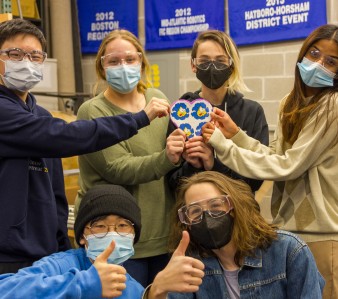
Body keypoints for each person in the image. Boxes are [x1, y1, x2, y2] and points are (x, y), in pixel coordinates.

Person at [0, 18, 170, 274]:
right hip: (7, 256)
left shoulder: (42, 116)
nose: (26, 62)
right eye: (15, 54)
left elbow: (55, 191)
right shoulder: (8, 113)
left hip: (45, 253)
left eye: (35, 56)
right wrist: (139, 119)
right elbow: (68, 137)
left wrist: (59, 243)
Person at [202, 24, 338, 299]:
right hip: (286, 228)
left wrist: (222, 145)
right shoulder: (291, 102)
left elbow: (289, 166)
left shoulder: (332, 104)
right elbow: (276, 156)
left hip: (322, 232)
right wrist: (236, 135)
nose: (318, 64)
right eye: (314, 53)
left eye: (331, 61)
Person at [75, 29, 186, 287]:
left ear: (142, 62)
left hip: (162, 233)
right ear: (102, 67)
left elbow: (173, 157)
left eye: (129, 59)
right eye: (113, 61)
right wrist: (167, 157)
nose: (122, 66)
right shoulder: (92, 111)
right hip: (117, 239)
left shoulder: (158, 99)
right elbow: (118, 168)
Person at [0, 184, 205, 299]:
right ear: (82, 236)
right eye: (100, 226)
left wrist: (155, 293)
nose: (112, 235)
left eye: (123, 226)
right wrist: (88, 284)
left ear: (134, 236)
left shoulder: (130, 287)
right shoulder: (62, 265)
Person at [147, 171, 324, 298]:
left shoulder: (288, 251)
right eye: (195, 211)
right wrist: (156, 292)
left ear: (235, 208)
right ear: (185, 221)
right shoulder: (191, 265)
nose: (207, 217)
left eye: (216, 206)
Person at [167, 30, 269, 193]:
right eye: (204, 60)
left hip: (241, 213)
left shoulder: (252, 111)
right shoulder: (182, 113)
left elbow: (255, 182)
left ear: (231, 65)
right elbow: (172, 184)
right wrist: (193, 166)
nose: (212, 67)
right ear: (193, 65)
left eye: (220, 61)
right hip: (192, 211)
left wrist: (213, 163)